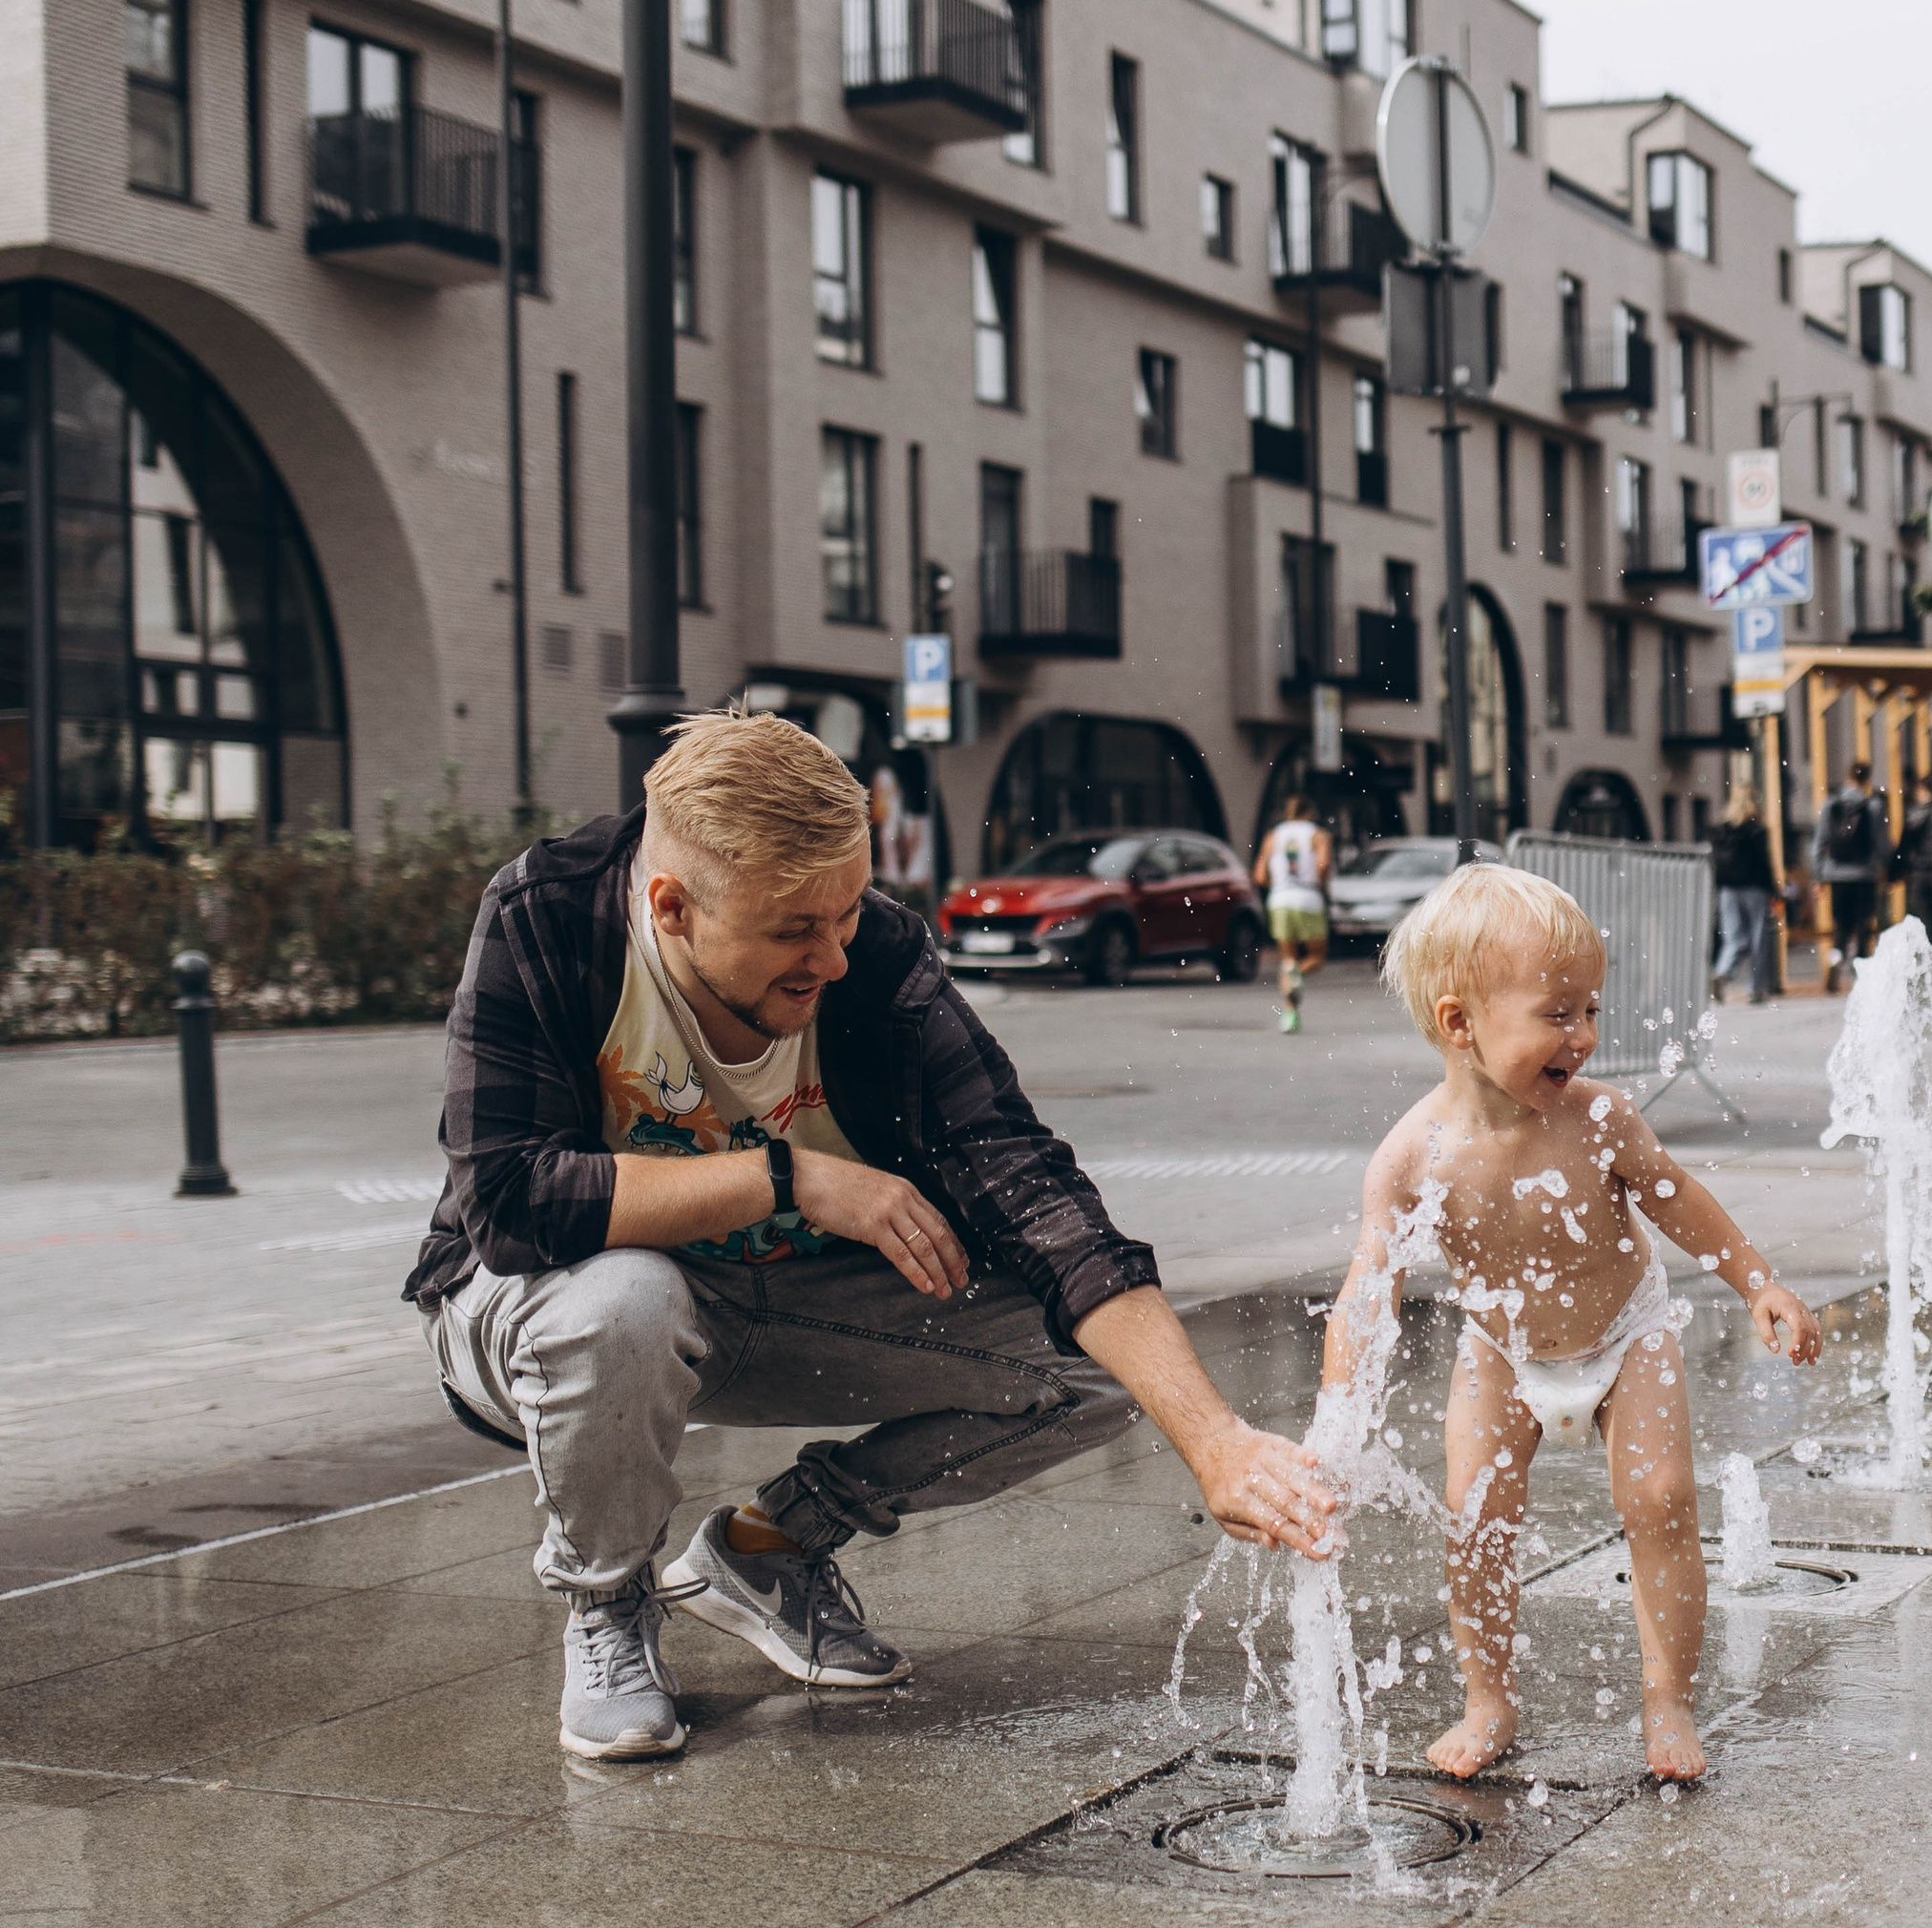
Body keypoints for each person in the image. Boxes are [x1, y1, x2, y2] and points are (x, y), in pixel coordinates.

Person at [410, 712, 1340, 1765]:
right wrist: (788, 1176)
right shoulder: (548, 916)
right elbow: (511, 1200)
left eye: (848, 911)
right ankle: (609, 1604)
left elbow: (1027, 1182)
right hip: (538, 1320)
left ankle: (768, 1549)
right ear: (670, 906)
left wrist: (1212, 1439)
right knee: (623, 1301)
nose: (835, 955)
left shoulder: (876, 957)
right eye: (796, 929)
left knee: (1092, 1370)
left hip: (773, 1306)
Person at [1313, 861, 1820, 1786]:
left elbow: (1676, 1199)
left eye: (1590, 1010)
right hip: (1501, 1351)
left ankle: (1667, 1697)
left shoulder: (1599, 1120)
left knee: (1662, 1502)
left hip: (1626, 1333)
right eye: (1557, 1014)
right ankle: (1487, 1696)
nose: (1583, 1037)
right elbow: (1367, 1285)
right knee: (1474, 1517)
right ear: (1460, 1023)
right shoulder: (1411, 1156)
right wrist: (1337, 1413)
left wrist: (1757, 1285)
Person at [1254, 793, 1334, 1034]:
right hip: (1308, 898)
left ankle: (1290, 1014)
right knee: (1316, 957)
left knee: (1288, 960)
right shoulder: (1318, 835)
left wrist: (1279, 882)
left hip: (1280, 899)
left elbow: (1259, 875)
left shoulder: (1273, 836)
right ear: (1309, 813)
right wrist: (1321, 885)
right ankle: (1298, 973)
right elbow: (1323, 865)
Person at [1811, 765, 1890, 990]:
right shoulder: (1873, 806)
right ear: (1867, 778)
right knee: (1863, 923)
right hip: (1864, 874)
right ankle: (1861, 969)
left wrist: (1819, 876)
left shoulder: (1831, 803)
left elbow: (1819, 841)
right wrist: (1889, 868)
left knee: (1841, 923)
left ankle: (1837, 955)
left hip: (1836, 874)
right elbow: (1881, 842)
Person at [1709, 782, 1776, 1004]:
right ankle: (1756, 989)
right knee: (1758, 937)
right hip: (1754, 887)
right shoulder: (1756, 828)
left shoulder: (1723, 829)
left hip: (1727, 887)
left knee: (1733, 937)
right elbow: (1764, 861)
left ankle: (1723, 972)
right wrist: (1773, 889)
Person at [1897, 770, 1932, 939]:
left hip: (1920, 871)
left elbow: (1904, 845)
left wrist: (1896, 870)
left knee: (1925, 917)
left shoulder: (1916, 814)